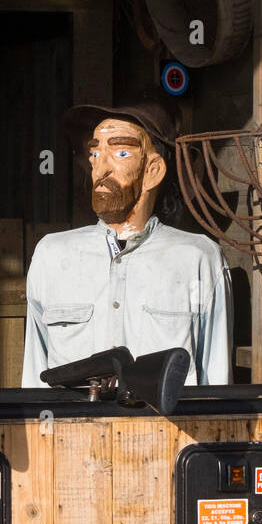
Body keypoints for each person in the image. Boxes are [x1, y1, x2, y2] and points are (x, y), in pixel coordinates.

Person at [21, 101, 232, 388]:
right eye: (95, 153)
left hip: (165, 431)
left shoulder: (198, 258)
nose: (100, 168)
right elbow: (35, 376)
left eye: (120, 152)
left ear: (153, 171)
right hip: (72, 430)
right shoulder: (52, 254)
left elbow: (215, 378)